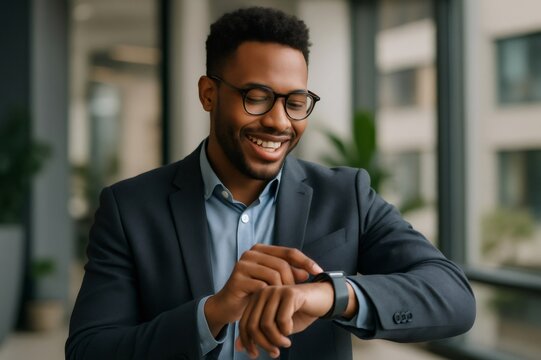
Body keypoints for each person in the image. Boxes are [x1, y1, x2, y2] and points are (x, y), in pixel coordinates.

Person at [66, 6, 475, 360]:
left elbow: (452, 296)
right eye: (257, 96)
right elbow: (90, 350)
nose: (280, 122)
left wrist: (331, 295)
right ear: (209, 93)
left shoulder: (345, 195)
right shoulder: (129, 207)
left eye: (295, 103)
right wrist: (212, 313)